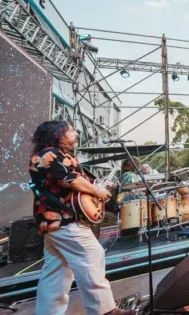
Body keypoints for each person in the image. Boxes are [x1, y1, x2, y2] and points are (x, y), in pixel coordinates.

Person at [29, 121, 134, 315]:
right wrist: (97, 191)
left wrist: (100, 188)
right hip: (63, 219)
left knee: (57, 273)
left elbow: (81, 182)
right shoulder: (48, 154)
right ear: (57, 134)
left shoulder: (62, 155)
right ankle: (105, 311)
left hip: (55, 221)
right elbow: (72, 180)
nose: (75, 133)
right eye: (70, 130)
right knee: (92, 255)